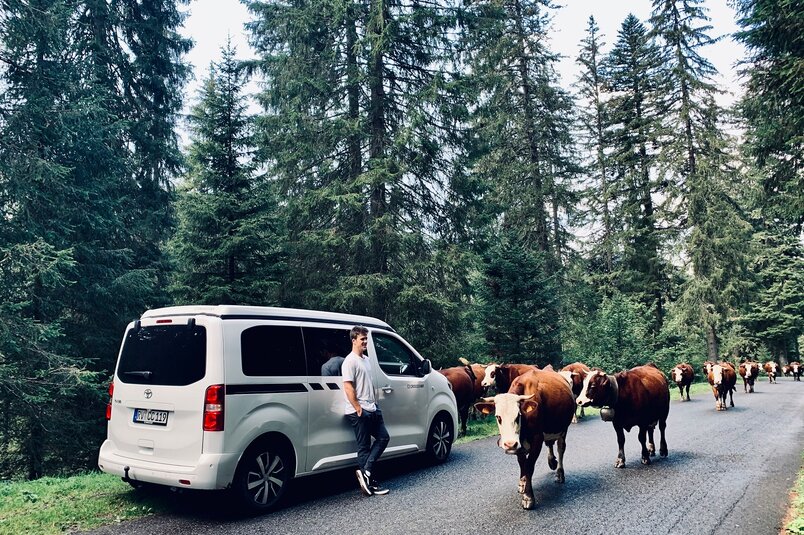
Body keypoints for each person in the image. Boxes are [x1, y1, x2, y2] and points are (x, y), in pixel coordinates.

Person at [342, 325, 390, 496]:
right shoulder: (350, 361)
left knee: (384, 437)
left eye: (366, 339)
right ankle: (370, 482)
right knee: (364, 446)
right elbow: (348, 386)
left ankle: (367, 472)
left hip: (372, 407)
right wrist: (357, 407)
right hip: (359, 410)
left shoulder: (367, 359)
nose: (365, 342)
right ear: (354, 340)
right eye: (362, 339)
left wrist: (374, 404)